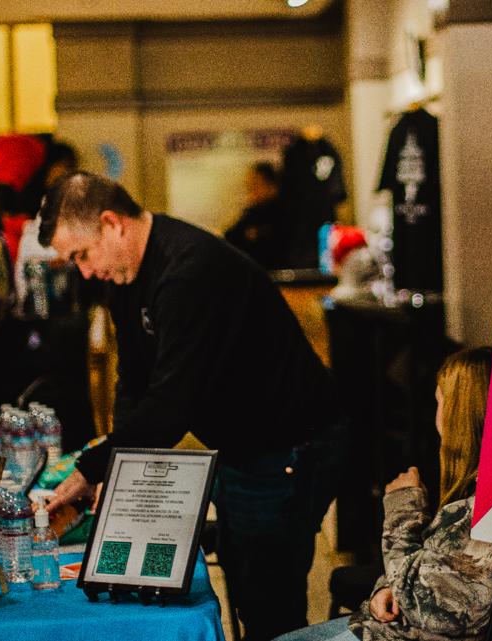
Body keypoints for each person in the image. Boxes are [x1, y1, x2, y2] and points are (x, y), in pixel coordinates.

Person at [40, 172, 344, 640]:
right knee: (244, 590)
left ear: (111, 224)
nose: (84, 271)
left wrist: (95, 468)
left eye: (81, 254)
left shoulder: (189, 269)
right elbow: (134, 381)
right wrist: (116, 472)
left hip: (290, 445)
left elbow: (171, 404)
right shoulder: (124, 274)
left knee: (269, 607)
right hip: (241, 445)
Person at [273, 347, 492, 641]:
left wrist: (403, 507)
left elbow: (425, 603)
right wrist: (386, 588)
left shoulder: (491, 512)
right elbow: (427, 574)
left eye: (439, 402)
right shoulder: (485, 493)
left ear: (460, 414)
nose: (437, 416)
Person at [224, 161, 288, 270]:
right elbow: (230, 237)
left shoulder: (285, 213)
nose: (251, 191)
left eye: (256, 184)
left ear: (271, 186)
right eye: (249, 186)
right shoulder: (252, 213)